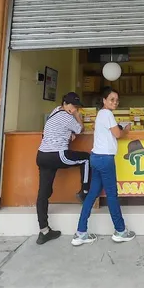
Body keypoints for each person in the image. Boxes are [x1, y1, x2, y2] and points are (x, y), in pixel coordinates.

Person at [72, 87, 136, 246]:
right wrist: (126, 129)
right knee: (112, 195)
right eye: (111, 99)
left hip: (95, 157)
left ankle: (81, 232)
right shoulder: (107, 114)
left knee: (93, 193)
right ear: (104, 100)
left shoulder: (101, 114)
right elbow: (118, 134)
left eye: (116, 100)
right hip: (105, 159)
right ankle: (120, 231)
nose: (115, 102)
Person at [36, 91, 90, 245]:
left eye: (76, 107)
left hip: (42, 155)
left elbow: (57, 130)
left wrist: (68, 134)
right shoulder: (67, 116)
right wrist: (77, 116)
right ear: (65, 104)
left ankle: (44, 231)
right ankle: (84, 192)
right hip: (57, 155)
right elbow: (81, 129)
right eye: (72, 106)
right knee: (86, 159)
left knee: (43, 193)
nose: (73, 109)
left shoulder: (55, 111)